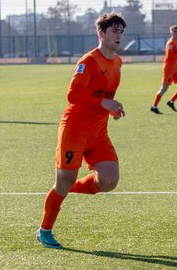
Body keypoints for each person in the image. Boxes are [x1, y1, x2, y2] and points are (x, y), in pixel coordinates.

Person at [35, 13, 127, 249]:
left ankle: (69, 187)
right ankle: (44, 231)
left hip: (98, 133)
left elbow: (104, 96)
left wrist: (112, 107)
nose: (119, 35)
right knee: (63, 181)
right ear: (101, 33)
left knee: (109, 180)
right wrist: (103, 103)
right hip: (74, 131)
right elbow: (73, 95)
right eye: (114, 31)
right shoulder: (88, 61)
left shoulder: (117, 62)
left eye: (121, 32)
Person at [150, 25, 177, 114]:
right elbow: (169, 56)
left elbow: (173, 57)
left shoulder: (176, 42)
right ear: (171, 32)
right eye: (174, 31)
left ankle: (171, 102)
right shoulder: (171, 43)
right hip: (168, 69)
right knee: (164, 88)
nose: (176, 33)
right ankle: (154, 106)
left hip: (175, 69)